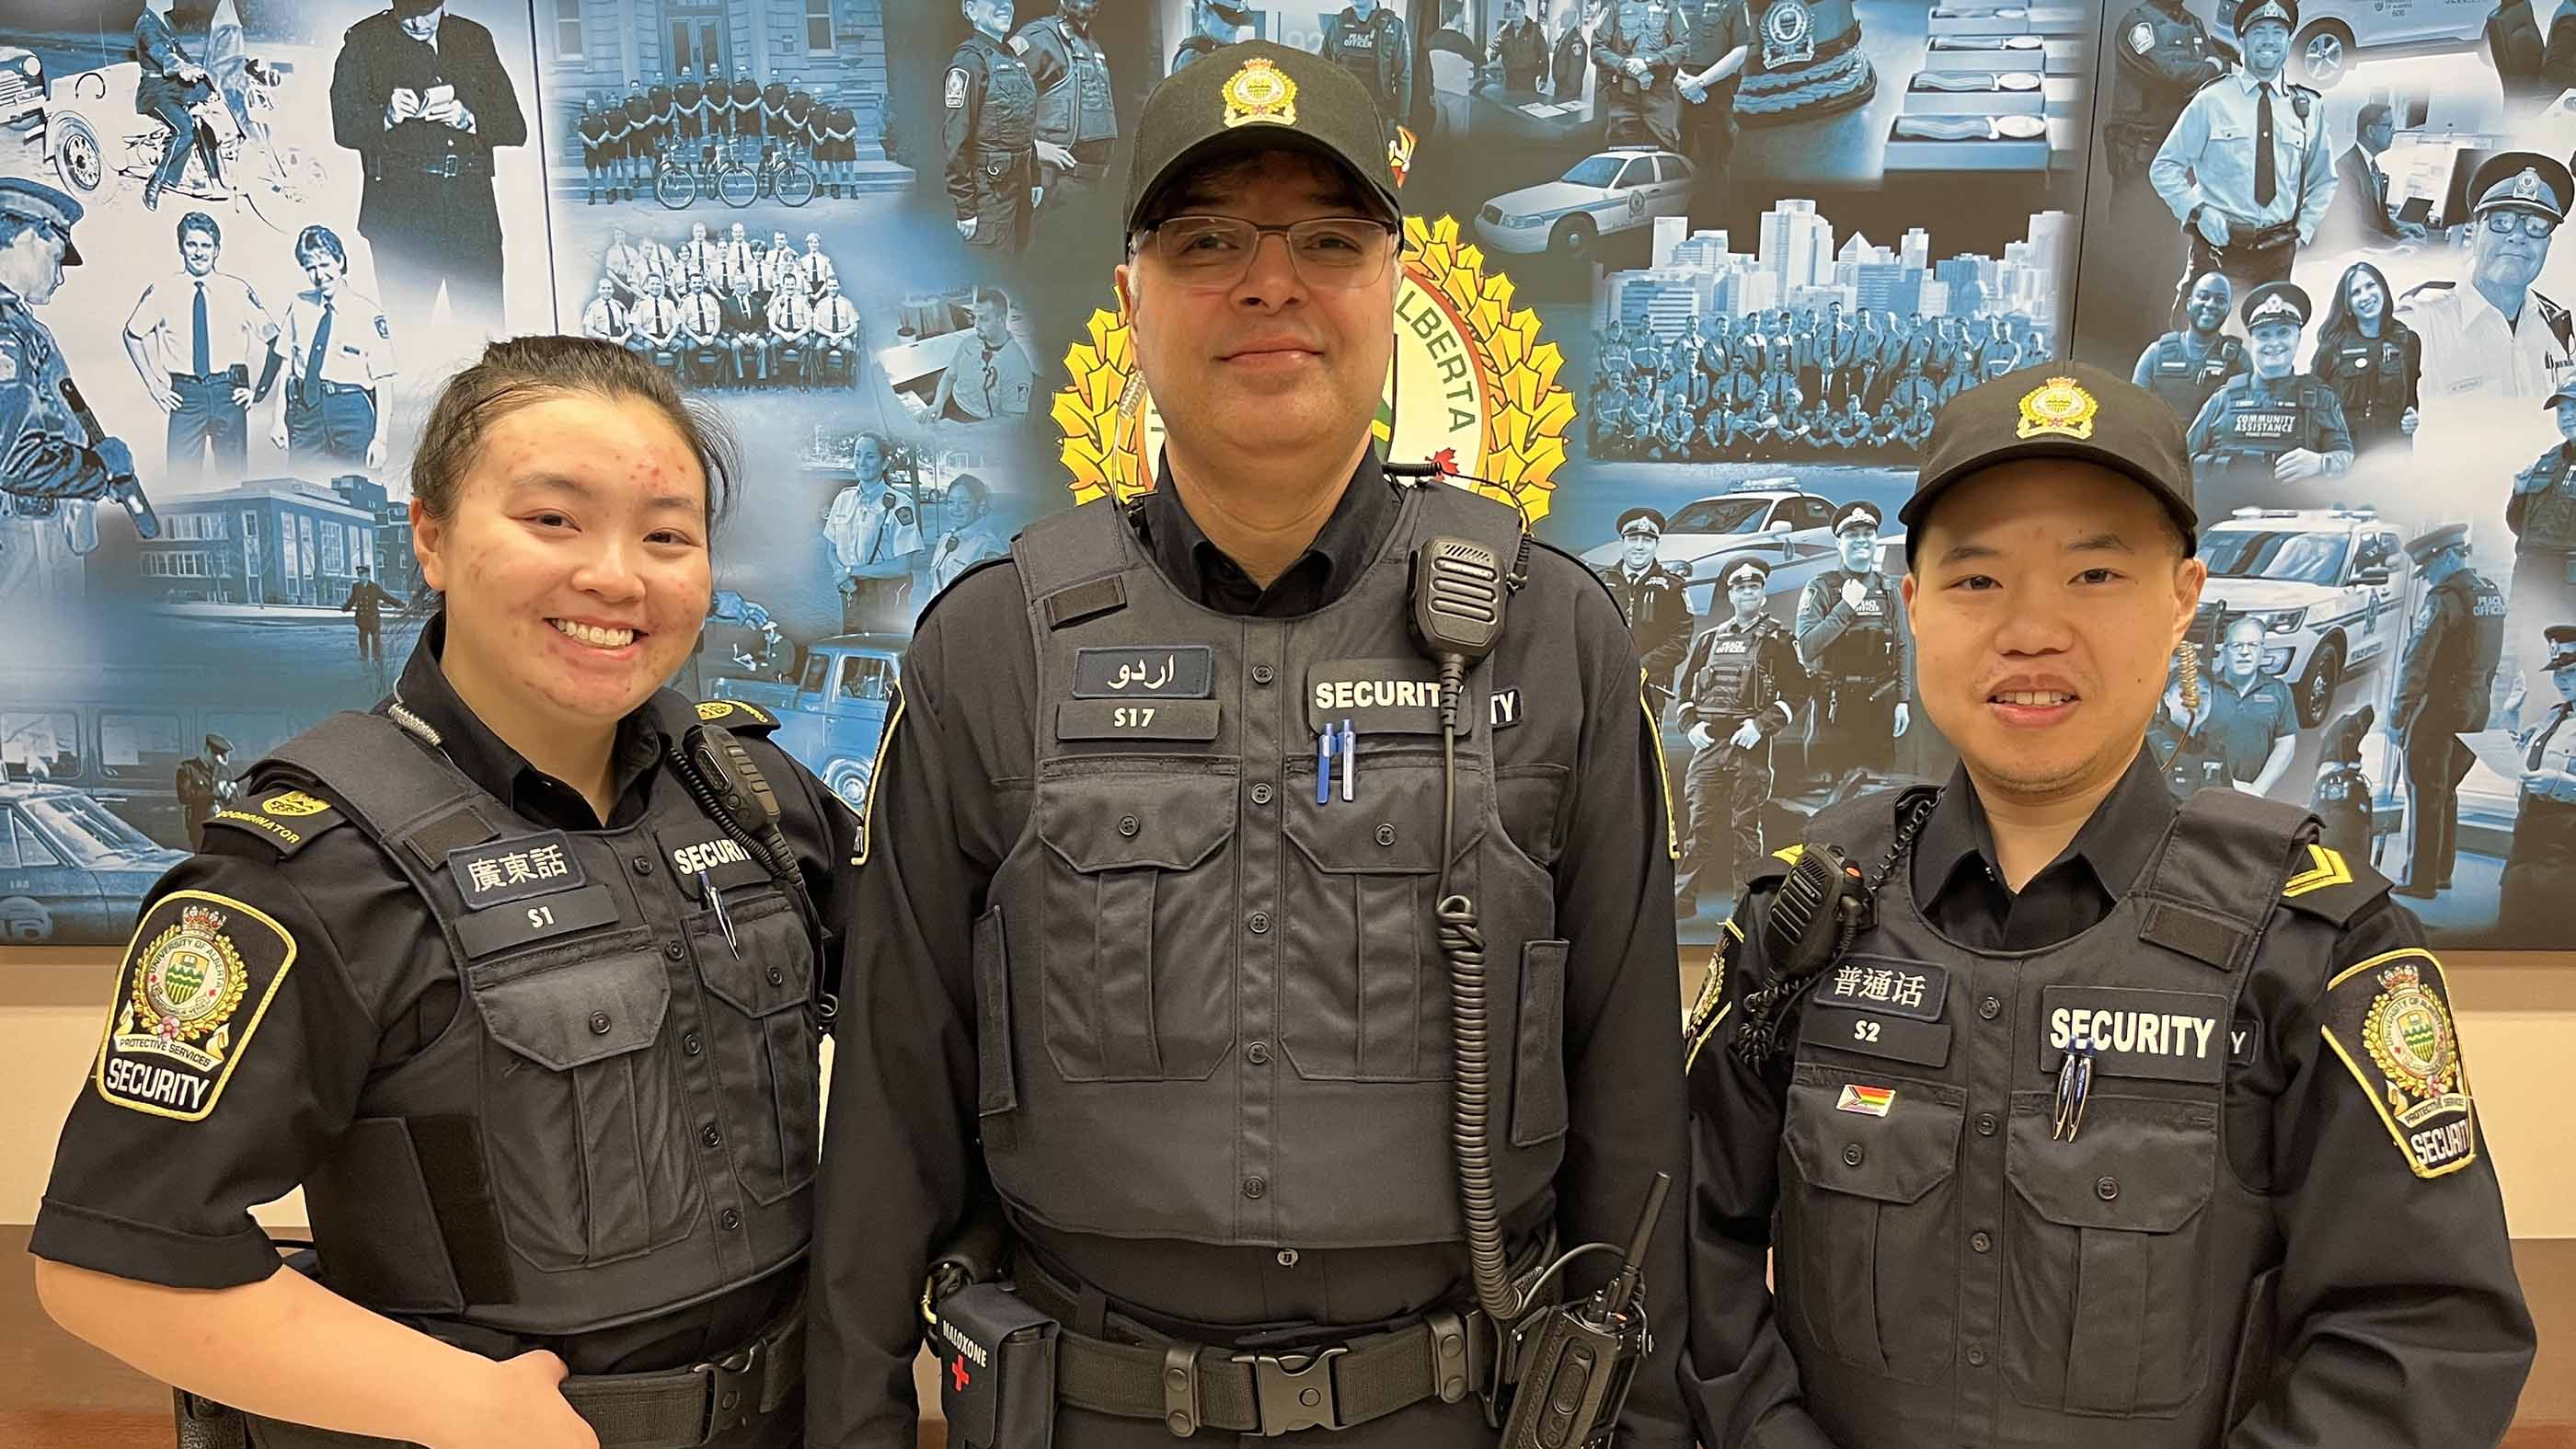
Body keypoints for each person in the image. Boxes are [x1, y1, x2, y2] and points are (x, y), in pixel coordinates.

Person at [808, 40, 1688, 1447]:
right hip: (1087, 1411)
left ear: (1394, 290)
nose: (1268, 281)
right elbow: (891, 1114)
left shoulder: (1553, 635)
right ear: (1131, 300)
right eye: (1208, 238)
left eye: (1326, 239)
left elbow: (1637, 1112)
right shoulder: (990, 648)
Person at [1682, 360, 2536, 1449]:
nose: (2031, 632)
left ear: (2184, 598)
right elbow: (1686, 1248)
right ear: (1912, 607)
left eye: (2094, 576)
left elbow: (2425, 1332)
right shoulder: (1808, 915)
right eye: (1977, 580)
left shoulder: (2312, 943)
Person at [31, 336, 849, 1449]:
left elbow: (939, 1020)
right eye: (553, 520)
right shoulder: (313, 864)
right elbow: (111, 1266)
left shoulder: (755, 795)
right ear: (430, 535)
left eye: (667, 536)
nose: (617, 576)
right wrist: (466, 1410)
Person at [328, 0, 527, 342]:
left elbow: (515, 127)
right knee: (408, 339)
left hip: (471, 213)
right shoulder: (363, 41)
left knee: (484, 336)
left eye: (428, 12)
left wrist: (469, 119)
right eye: (408, 13)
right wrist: (385, 116)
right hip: (401, 218)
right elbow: (343, 128)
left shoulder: (475, 38)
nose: (419, 23)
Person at [2149, 0, 2337, 328]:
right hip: (2220, 252)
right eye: (2259, 31)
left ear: (2289, 42)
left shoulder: (2307, 108)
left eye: (2278, 32)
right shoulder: (2212, 100)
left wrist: (2303, 231)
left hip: (2277, 256)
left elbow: (2325, 180)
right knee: (2194, 351)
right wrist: (2198, 212)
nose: (2268, 40)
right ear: (2242, 41)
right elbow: (2164, 167)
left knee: (2265, 353)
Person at [0, 179, 146, 546]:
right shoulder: (6, 328)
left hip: (41, 539)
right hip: (24, 546)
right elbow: (15, 460)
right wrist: (101, 469)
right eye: (56, 256)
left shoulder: (24, 326)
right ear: (29, 236)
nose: (61, 276)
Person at [1673, 555, 1807, 916]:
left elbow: (1799, 692)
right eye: (1740, 587)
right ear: (1730, 594)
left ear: (1763, 593)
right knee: (1697, 826)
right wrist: (1692, 727)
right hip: (1709, 746)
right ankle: (1681, 902)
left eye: (1754, 587)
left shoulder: (1778, 639)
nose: (1747, 592)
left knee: (1746, 828)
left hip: (1747, 746)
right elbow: (1685, 692)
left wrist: (1760, 726)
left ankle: (1744, 905)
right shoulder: (1709, 639)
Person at [2399, 150, 2575, 420]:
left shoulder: (2559, 328)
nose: (2518, 236)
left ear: (2547, 244)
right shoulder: (2420, 323)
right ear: (2475, 230)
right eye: (2501, 221)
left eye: (2537, 225)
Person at [2390, 523, 2506, 899]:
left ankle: (2421, 880)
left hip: (2440, 705)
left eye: (2429, 569)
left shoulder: (2443, 599)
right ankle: (2441, 872)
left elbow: (2416, 661)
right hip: (2477, 705)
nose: (2427, 579)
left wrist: (2400, 715)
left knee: (2425, 790)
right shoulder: (2489, 594)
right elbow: (2493, 656)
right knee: (2447, 789)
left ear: (2449, 556)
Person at [125, 211, 278, 483]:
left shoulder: (236, 290)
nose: (198, 252)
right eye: (191, 244)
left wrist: (259, 392)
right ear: (181, 247)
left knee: (234, 482)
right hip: (186, 395)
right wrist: (154, 384)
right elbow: (132, 334)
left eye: (206, 245)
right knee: (181, 483)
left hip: (227, 392)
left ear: (217, 250)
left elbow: (276, 340)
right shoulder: (163, 289)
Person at [2184, 280, 2353, 490]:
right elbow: (2182, 458)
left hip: (2295, 517)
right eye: (2264, 335)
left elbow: (2346, 457)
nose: (2274, 343)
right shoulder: (2223, 398)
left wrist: (2321, 464)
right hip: (2226, 517)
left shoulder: (2321, 398)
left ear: (2298, 338)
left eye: (2283, 332)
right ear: (2252, 340)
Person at [1796, 500, 1910, 786]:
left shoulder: (1888, 589)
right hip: (1833, 707)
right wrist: (1846, 607)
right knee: (1829, 793)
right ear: (1838, 543)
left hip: (1877, 706)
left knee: (1876, 791)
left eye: (1868, 534)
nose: (1861, 540)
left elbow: (1902, 647)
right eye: (1852, 535)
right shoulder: (1822, 587)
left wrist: (1903, 701)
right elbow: (1808, 647)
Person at [268, 224, 394, 471]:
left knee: (358, 491)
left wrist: (380, 440)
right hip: (306, 412)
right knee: (304, 490)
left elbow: (384, 381)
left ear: (340, 261)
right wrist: (278, 420)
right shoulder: (299, 306)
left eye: (324, 265)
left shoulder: (367, 313)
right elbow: (287, 367)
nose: (319, 275)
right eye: (310, 268)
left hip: (350, 411)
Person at [2156, 612, 2300, 795]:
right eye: (2237, 645)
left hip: (2254, 793)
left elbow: (2286, 743)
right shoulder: (2205, 689)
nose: (2245, 652)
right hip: (2203, 789)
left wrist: (2258, 789)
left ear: (2263, 651)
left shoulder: (2279, 691)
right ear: (2224, 650)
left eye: (2253, 645)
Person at [946, 0, 1042, 256]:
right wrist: (965, 207)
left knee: (1016, 271)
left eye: (1008, 1)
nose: (1005, 6)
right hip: (989, 194)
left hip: (1020, 187)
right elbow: (956, 139)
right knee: (990, 272)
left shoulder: (1012, 60)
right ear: (971, 9)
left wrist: (1035, 178)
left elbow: (1024, 122)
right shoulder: (969, 62)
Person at [1013, 0, 1118, 228]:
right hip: (1058, 188)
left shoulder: (1092, 45)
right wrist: (1035, 148)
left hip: (1095, 188)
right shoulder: (1038, 38)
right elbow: (1000, 105)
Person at [2499, 624, 2576, 931]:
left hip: (2565, 857)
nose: (2561, 680)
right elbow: (2523, 758)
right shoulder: (2555, 715)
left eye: (2571, 672)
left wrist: (2558, 783)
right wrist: (2511, 716)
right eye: (2558, 672)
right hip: (2525, 848)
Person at [2103, 0, 2226, 189]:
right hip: (2144, 153)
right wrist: (2209, 67)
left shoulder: (2193, 23)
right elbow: (2166, 73)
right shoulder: (2137, 23)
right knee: (2135, 215)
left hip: (2183, 151)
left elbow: (2223, 65)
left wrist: (2205, 67)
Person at [2306, 259, 2421, 459]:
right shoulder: (2331, 349)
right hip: (2346, 456)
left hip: (2394, 455)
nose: (2365, 296)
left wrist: (2411, 415)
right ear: (2348, 305)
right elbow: (2312, 409)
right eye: (2355, 293)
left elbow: (2409, 396)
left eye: (2370, 286)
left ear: (2383, 289)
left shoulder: (2407, 341)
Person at [821, 434, 923, 632]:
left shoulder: (900, 505)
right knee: (852, 649)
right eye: (857, 455)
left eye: (869, 456)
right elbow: (831, 550)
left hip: (884, 596)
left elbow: (903, 566)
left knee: (880, 653)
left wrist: (852, 572)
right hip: (850, 591)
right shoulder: (843, 499)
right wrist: (841, 574)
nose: (861, 462)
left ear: (885, 463)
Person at [2508, 385, 2576, 675]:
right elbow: (2517, 526)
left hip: (2567, 581)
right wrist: (2519, 493)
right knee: (2532, 657)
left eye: (2574, 408)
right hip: (2531, 574)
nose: (2567, 417)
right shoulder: (2548, 461)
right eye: (2562, 410)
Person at [1602, 505, 1695, 715]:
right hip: (1605, 688)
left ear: (1656, 544)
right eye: (1633, 539)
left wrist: (1641, 668)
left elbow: (1679, 642)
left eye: (1647, 540)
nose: (1640, 547)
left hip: (1651, 689)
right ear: (1622, 542)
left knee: (1647, 746)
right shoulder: (1599, 583)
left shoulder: (1673, 587)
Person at [133, 0, 218, 212]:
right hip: (155, 92)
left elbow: (179, 51)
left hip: (175, 85)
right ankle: (157, 183)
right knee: (185, 130)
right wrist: (181, 67)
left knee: (215, 99)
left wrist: (200, 70)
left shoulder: (164, 21)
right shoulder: (146, 25)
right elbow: (163, 53)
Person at [2133, 271, 2245, 423]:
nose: (2211, 305)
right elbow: (2134, 411)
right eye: (2204, 297)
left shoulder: (2239, 360)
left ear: (2228, 310)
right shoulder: (2155, 354)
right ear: (2189, 303)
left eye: (2220, 300)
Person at [2317, 102, 2423, 254]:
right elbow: (2355, 229)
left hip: (2373, 248)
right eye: (2389, 126)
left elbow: (2379, 219)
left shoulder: (2372, 166)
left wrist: (2401, 228)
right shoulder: (2345, 168)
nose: (2393, 132)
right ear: (2371, 130)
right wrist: (2396, 245)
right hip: (2354, 253)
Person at [926, 287, 1034, 422]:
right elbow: (949, 376)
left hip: (976, 421)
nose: (976, 325)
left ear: (1001, 319)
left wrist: (964, 430)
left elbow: (1014, 424)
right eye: (974, 317)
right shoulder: (969, 343)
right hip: (950, 403)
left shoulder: (1016, 365)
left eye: (983, 318)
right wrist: (937, 404)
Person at [1319, 0, 1416, 119]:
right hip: (1342, 113)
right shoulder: (1336, 25)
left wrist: (1402, 120)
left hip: (1378, 116)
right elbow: (1322, 71)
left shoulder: (1395, 27)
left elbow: (1403, 77)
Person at [927, 472, 1006, 593]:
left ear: (981, 505)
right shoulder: (945, 538)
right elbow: (933, 585)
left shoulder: (988, 546)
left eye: (964, 502)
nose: (955, 509)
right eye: (951, 502)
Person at [173, 732, 235, 853]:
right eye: (216, 754)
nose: (219, 759)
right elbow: (184, 797)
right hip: (199, 822)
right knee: (202, 853)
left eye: (224, 755)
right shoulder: (187, 768)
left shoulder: (225, 771)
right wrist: (213, 794)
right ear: (207, 749)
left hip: (222, 824)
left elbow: (234, 803)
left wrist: (228, 795)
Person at [339, 562, 402, 662]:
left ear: (367, 575)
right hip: (362, 619)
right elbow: (353, 599)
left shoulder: (374, 587)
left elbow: (386, 597)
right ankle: (364, 658)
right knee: (363, 640)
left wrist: (400, 604)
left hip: (373, 619)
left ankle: (377, 659)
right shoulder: (356, 587)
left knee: (376, 641)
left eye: (362, 575)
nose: (360, 577)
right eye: (359, 575)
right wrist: (345, 608)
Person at [1172, 0, 1250, 71]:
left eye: (1238, 19)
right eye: (1228, 16)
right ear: (1204, 11)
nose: (1236, 26)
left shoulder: (1220, 48)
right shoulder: (1192, 59)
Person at [1491, 0, 1549, 90]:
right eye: (1511, 10)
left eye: (1516, 10)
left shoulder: (1534, 30)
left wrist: (1544, 78)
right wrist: (1490, 60)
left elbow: (1544, 55)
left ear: (1524, 10)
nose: (1513, 13)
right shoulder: (1505, 31)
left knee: (1528, 103)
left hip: (1528, 78)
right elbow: (1494, 48)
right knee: (1508, 103)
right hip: (1509, 78)